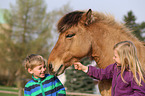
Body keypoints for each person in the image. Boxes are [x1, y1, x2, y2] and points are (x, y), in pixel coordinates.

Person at [74, 41, 145, 96]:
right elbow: (101, 74)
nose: (113, 58)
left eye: (115, 56)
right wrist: (84, 68)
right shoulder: (115, 68)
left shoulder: (135, 74)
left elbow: (140, 94)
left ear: (125, 57)